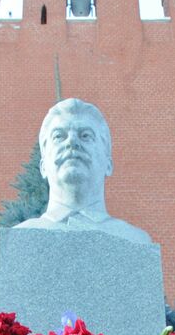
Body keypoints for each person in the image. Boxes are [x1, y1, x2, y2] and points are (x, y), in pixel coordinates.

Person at [14, 98, 153, 244]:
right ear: (43, 166)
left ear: (108, 164)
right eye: (59, 136)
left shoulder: (136, 241)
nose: (72, 142)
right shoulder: (19, 240)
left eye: (86, 135)